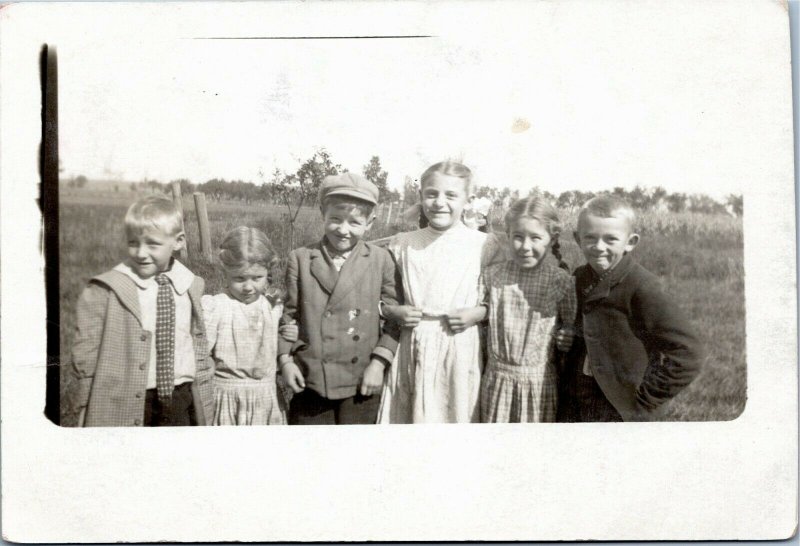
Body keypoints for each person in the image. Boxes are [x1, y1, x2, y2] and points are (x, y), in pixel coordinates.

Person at [67, 195, 213, 426]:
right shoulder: (108, 288)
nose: (141, 253)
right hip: (126, 395)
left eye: (152, 244)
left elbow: (198, 343)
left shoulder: (190, 285)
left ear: (178, 242)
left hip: (180, 396)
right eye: (133, 243)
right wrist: (84, 400)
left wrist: (205, 396)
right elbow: (87, 349)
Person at [378, 161, 504, 423]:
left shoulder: (482, 244)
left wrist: (480, 313)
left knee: (453, 412)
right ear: (421, 196)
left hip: (458, 343)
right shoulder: (404, 243)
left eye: (451, 195)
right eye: (432, 194)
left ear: (467, 201)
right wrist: (395, 312)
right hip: (413, 339)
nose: (439, 202)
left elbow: (502, 297)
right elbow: (386, 295)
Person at [558, 195, 704, 422]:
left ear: (630, 242)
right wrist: (568, 336)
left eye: (610, 239)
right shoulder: (579, 277)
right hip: (577, 396)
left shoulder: (642, 286)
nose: (599, 247)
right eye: (590, 238)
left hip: (619, 405)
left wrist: (645, 400)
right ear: (577, 239)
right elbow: (584, 327)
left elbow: (689, 353)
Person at [278, 173, 401, 425]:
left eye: (354, 222)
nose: (343, 230)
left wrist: (378, 364)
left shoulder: (381, 260)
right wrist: (285, 361)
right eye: (335, 219)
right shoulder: (300, 258)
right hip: (310, 378)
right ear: (323, 213)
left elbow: (394, 318)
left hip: (361, 379)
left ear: (370, 223)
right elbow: (287, 316)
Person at [479, 197, 577, 423]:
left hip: (539, 385)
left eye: (535, 238)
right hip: (496, 381)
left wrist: (567, 337)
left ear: (551, 239)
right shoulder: (493, 276)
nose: (525, 246)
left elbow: (570, 329)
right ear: (508, 235)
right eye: (518, 237)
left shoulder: (561, 282)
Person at [202, 227, 298, 425]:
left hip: (266, 393)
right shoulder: (217, 306)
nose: (248, 287)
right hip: (227, 394)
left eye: (257, 278)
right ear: (225, 272)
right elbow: (202, 351)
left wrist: (290, 332)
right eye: (239, 278)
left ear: (268, 273)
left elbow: (280, 342)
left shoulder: (273, 306)